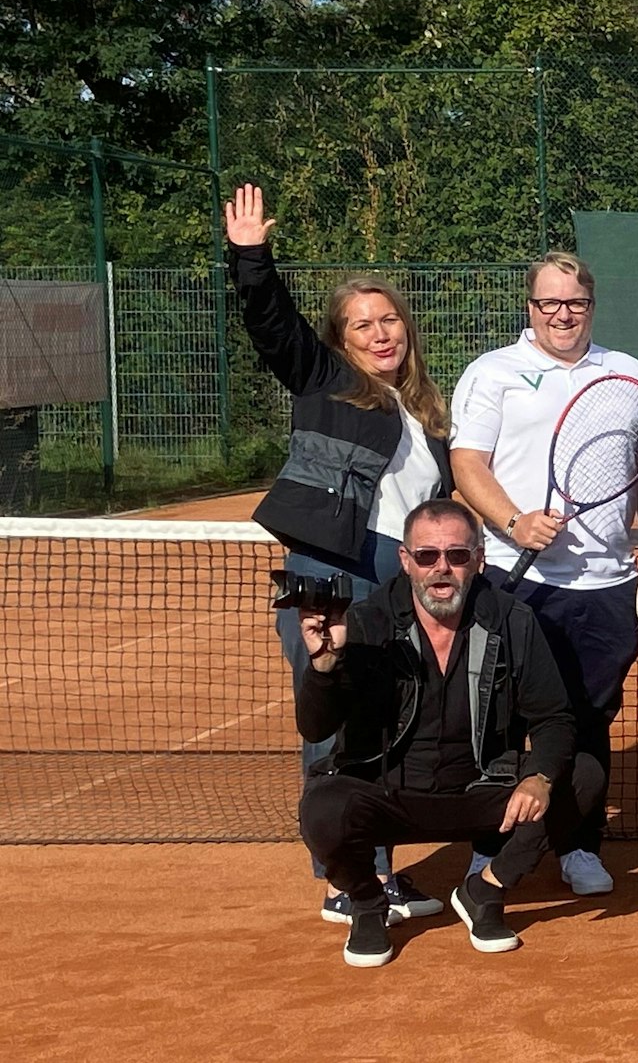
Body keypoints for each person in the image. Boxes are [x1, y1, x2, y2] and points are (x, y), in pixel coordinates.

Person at [224, 183, 451, 926]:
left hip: (399, 579)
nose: (381, 333)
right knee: (329, 719)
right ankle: (344, 874)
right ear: (341, 338)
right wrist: (251, 257)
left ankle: (379, 864)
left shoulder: (426, 413)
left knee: (390, 719)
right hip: (330, 567)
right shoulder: (324, 380)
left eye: (389, 320)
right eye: (363, 324)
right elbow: (271, 324)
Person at [295, 499, 605, 968]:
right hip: (388, 794)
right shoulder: (365, 622)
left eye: (457, 556)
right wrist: (323, 666)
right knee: (321, 805)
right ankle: (367, 902)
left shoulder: (512, 620)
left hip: (482, 792)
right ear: (406, 561)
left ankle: (484, 890)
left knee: (581, 774)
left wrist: (538, 777)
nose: (442, 568)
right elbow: (315, 727)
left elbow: (554, 718)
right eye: (427, 556)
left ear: (479, 560)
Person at [449, 251, 638, 895]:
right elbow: (468, 465)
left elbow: (632, 464)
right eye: (549, 303)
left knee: (589, 721)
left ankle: (579, 846)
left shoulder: (625, 371)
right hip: (517, 577)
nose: (563, 314)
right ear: (530, 308)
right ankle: (491, 846)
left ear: (592, 306)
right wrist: (512, 522)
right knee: (502, 720)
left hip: (606, 582)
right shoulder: (494, 372)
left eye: (576, 303)